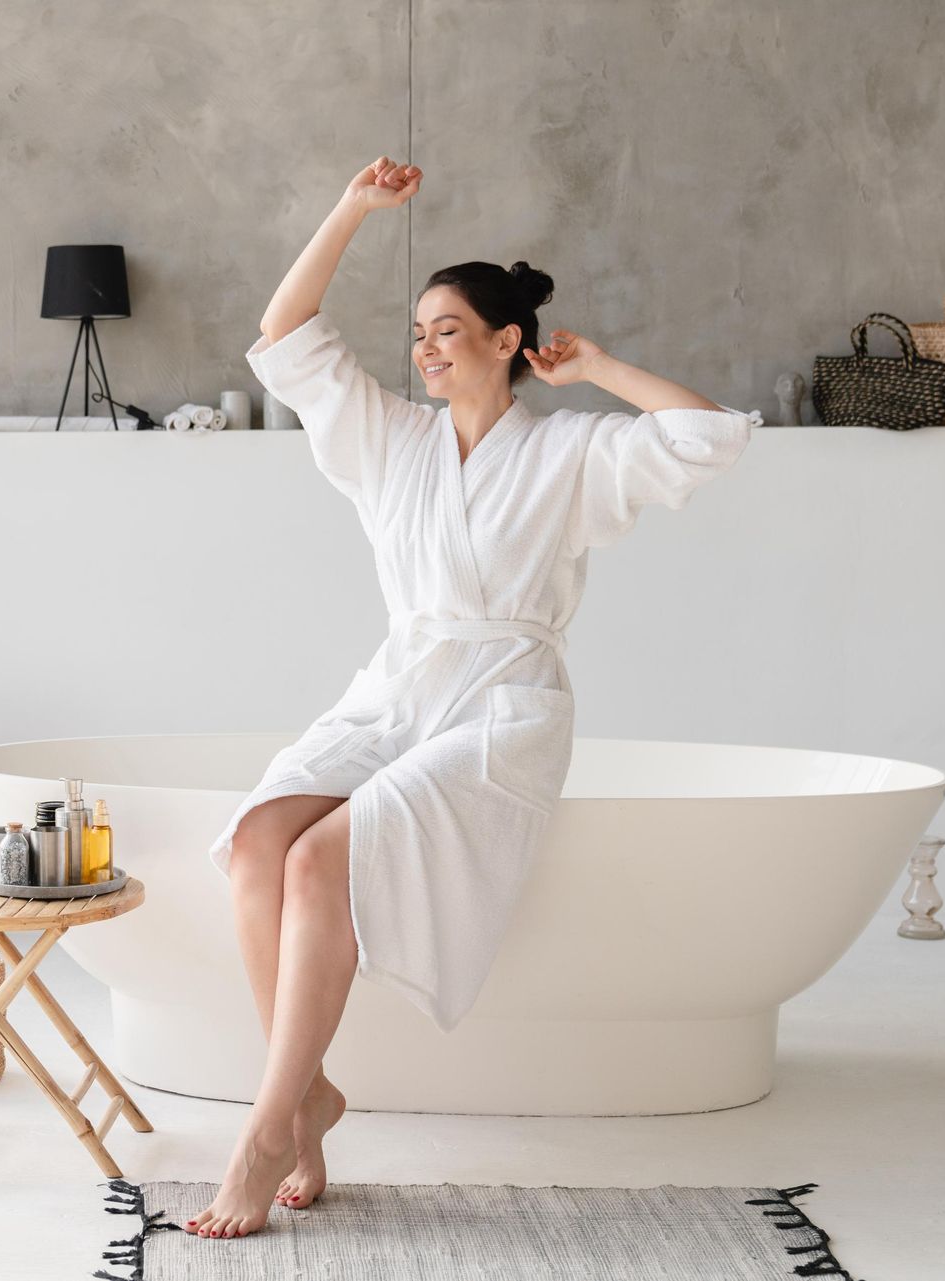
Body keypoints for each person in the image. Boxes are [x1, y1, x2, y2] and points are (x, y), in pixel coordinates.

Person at [186, 156, 760, 1239]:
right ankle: (306, 1092)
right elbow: (282, 333)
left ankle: (267, 1134)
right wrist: (353, 208)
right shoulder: (388, 440)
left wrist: (598, 369)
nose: (426, 346)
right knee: (262, 834)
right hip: (400, 688)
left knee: (320, 859)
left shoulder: (569, 451)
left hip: (504, 706)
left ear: (508, 341)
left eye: (449, 328)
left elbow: (706, 434)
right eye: (418, 332)